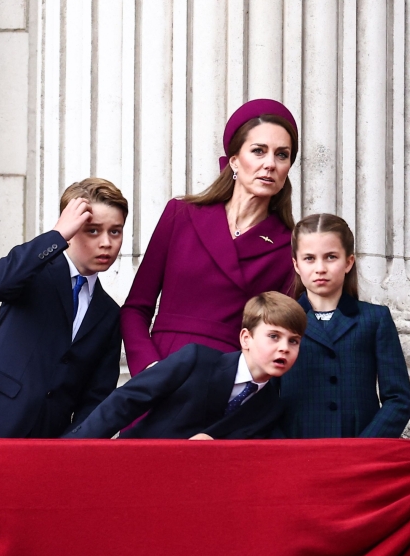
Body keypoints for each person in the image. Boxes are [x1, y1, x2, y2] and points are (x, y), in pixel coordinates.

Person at [121, 99, 299, 376]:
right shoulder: (180, 215)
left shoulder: (289, 247)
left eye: (282, 155)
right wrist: (149, 370)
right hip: (160, 372)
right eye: (258, 151)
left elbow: (280, 336)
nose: (270, 164)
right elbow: (135, 308)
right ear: (234, 161)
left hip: (226, 382)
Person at [0, 178, 127, 438]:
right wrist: (57, 235)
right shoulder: (35, 271)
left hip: (48, 443)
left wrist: (70, 447)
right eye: (93, 230)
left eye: (115, 231)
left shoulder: (109, 313)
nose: (107, 243)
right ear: (71, 228)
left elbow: (96, 396)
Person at [64, 291, 305, 439]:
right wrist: (74, 448)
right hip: (137, 465)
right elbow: (126, 400)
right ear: (246, 338)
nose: (284, 347)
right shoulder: (196, 360)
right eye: (273, 336)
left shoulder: (271, 406)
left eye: (293, 341)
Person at [280, 214, 410, 438]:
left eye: (331, 257)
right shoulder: (281, 321)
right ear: (296, 264)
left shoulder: (374, 319)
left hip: (359, 451)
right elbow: (264, 398)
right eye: (309, 258)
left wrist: (365, 447)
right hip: (296, 452)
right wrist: (283, 447)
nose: (320, 268)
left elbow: (398, 399)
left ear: (348, 262)